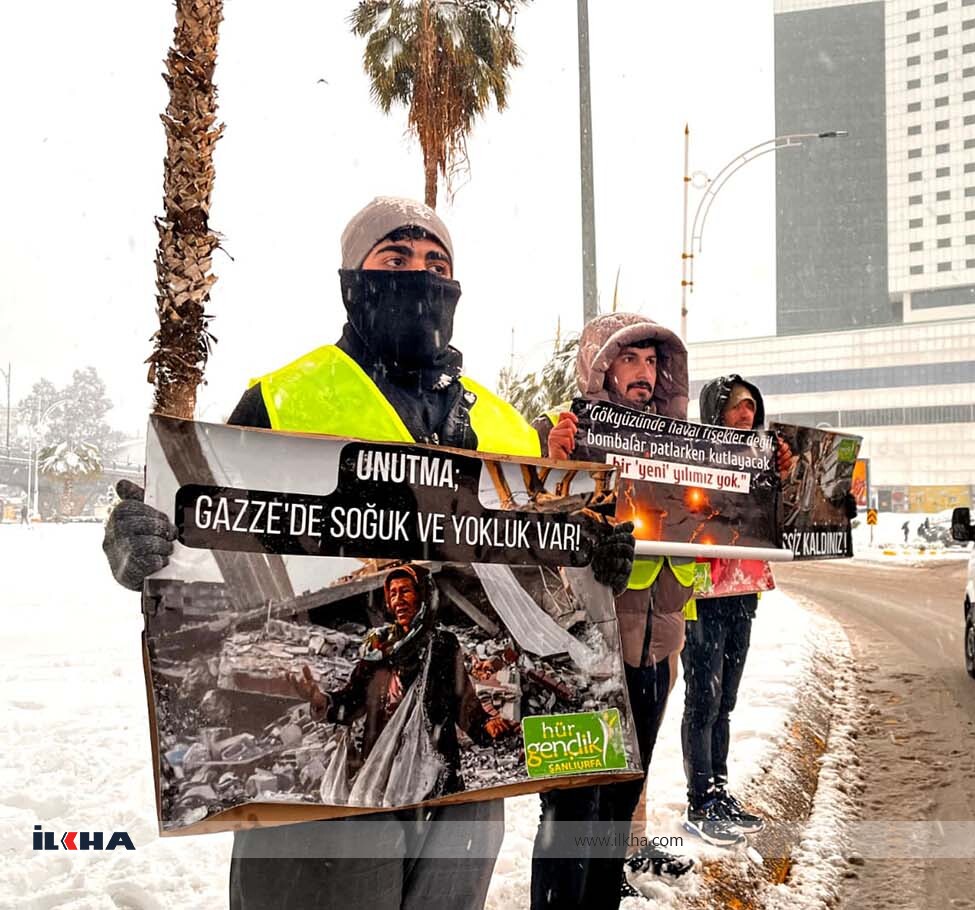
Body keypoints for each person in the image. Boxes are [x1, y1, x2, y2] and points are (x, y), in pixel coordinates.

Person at [102, 196, 637, 910]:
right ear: (353, 280)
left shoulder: (503, 421)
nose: (419, 276)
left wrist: (593, 558)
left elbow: (540, 570)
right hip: (320, 792)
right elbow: (205, 541)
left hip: (468, 777)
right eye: (395, 259)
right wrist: (143, 547)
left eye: (435, 264)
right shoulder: (282, 400)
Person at [531, 312, 695, 907]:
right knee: (573, 809)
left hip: (654, 652)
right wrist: (554, 465)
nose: (644, 373)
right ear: (600, 364)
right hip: (582, 654)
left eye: (653, 362)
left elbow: (732, 517)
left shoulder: (685, 446)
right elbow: (526, 522)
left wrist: (766, 468)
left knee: (620, 804)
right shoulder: (562, 429)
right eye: (629, 359)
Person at [290, 566, 511, 799]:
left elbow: (461, 698)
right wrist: (321, 700)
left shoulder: (442, 645)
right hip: (383, 766)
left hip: (431, 764)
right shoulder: (378, 648)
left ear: (423, 595)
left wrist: (485, 724)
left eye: (405, 591)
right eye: (393, 593)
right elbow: (354, 699)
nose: (398, 600)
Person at [680, 375, 788, 846]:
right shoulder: (691, 456)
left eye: (752, 407)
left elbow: (786, 511)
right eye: (737, 406)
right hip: (702, 593)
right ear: (716, 412)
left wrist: (786, 466)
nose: (746, 415)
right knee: (702, 697)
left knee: (726, 700)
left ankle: (720, 790)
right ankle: (699, 799)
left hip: (743, 590)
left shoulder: (763, 463)